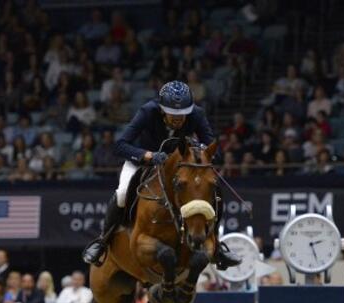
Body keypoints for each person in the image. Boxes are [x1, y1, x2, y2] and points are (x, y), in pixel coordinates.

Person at [81, 80, 240, 270]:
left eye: (183, 114)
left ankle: (217, 244)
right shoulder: (148, 111)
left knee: (214, 191)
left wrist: (200, 149)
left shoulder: (196, 113)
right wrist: (148, 155)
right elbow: (120, 145)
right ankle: (103, 240)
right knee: (122, 193)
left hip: (181, 165)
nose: (179, 119)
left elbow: (216, 150)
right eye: (174, 114)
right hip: (145, 160)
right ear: (163, 109)